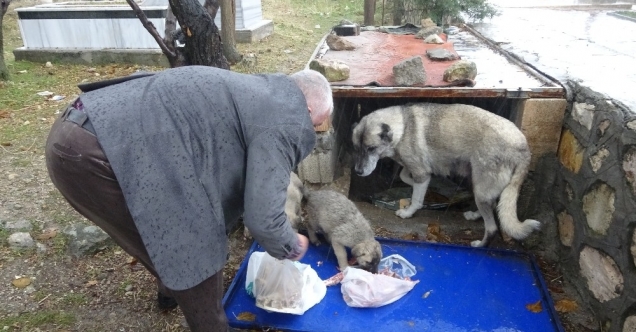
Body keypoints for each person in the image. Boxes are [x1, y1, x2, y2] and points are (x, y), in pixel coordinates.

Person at [44, 66, 333, 332]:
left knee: (169, 221)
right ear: (307, 108)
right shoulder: (289, 116)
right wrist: (291, 244)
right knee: (194, 244)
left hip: (79, 128)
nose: (313, 132)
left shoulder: (260, 90)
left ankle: (169, 293)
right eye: (316, 125)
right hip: (95, 154)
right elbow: (264, 221)